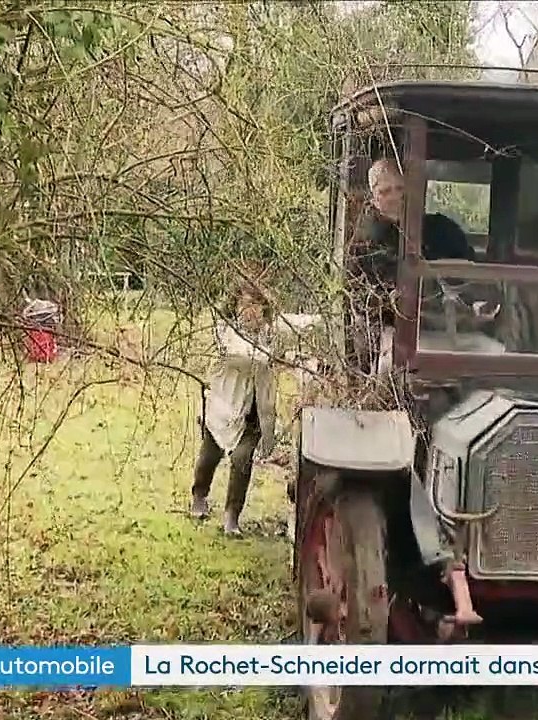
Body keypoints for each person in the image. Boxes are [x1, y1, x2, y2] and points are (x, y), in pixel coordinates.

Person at [191, 276, 320, 536]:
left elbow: (297, 324)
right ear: (235, 305)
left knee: (242, 459)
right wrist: (276, 356)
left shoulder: (269, 331)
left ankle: (231, 517)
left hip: (254, 412)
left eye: (256, 304)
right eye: (245, 304)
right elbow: (246, 356)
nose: (251, 310)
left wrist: (323, 320)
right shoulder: (223, 331)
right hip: (223, 407)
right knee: (210, 455)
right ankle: (199, 495)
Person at [348, 158, 480, 372]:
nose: (395, 196)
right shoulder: (364, 243)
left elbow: (469, 273)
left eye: (399, 188)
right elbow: (360, 299)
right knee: (387, 368)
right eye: (385, 191)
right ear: (373, 198)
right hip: (396, 332)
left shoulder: (442, 231)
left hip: (449, 327)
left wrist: (473, 303)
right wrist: (388, 323)